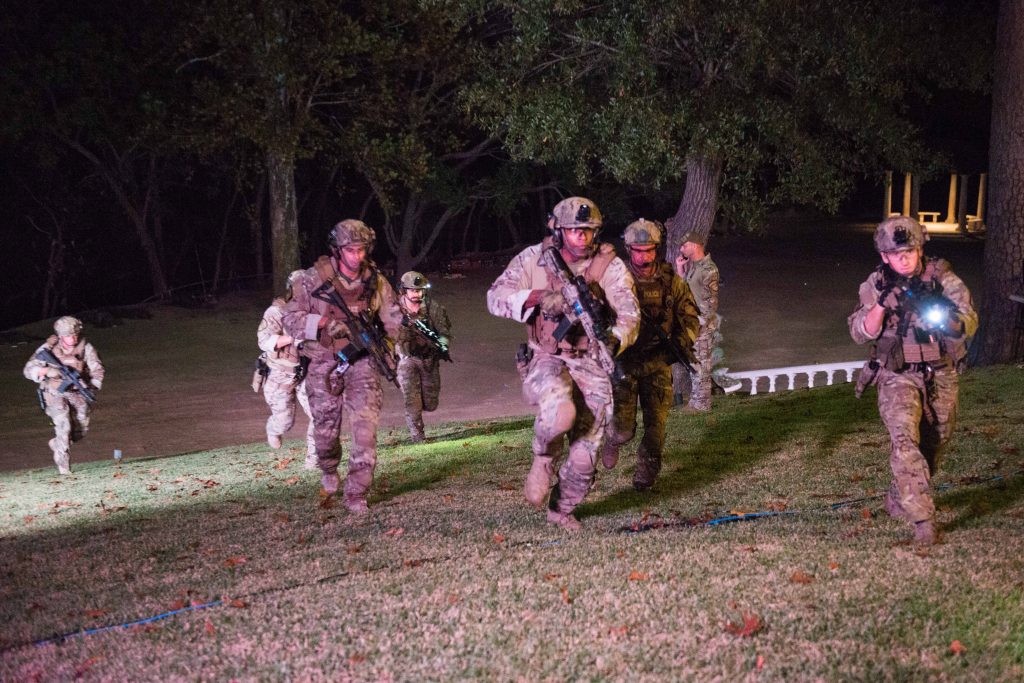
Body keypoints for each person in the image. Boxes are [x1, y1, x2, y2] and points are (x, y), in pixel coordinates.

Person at [487, 196, 639, 530]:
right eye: (574, 231)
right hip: (546, 356)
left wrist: (613, 338)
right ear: (559, 231)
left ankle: (562, 508)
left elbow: (630, 315)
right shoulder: (535, 259)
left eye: (587, 232)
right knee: (561, 412)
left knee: (586, 453)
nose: (581, 238)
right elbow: (495, 296)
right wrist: (539, 298)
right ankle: (543, 459)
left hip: (591, 359)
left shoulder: (609, 266)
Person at [848, 216, 977, 546]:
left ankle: (898, 494)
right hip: (897, 375)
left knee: (935, 443)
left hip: (940, 373)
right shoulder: (876, 283)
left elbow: (968, 322)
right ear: (884, 257)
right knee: (905, 442)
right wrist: (881, 304)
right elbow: (860, 332)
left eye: (910, 251)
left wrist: (940, 313)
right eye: (896, 254)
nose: (904, 259)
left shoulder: (941, 279)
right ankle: (923, 521)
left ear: (920, 249)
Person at [283, 219, 403, 514]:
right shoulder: (312, 280)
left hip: (362, 361)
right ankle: (328, 467)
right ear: (337, 250)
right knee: (325, 434)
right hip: (323, 362)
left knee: (365, 428)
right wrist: (322, 322)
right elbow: (289, 318)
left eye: (362, 250)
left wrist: (389, 348)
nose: (357, 256)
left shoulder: (375, 281)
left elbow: (394, 320)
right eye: (350, 250)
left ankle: (356, 492)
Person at [602, 220, 700, 490]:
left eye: (649, 250)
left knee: (656, 426)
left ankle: (646, 472)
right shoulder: (614, 280)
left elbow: (691, 318)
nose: (643, 257)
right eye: (637, 250)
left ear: (656, 250)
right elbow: (597, 317)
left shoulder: (672, 282)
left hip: (658, 362)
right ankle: (613, 440)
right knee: (623, 429)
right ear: (628, 249)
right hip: (625, 363)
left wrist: (680, 343)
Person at [23, 316, 105, 475]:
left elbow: (98, 371)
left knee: (80, 431)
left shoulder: (85, 348)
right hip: (54, 393)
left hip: (76, 393)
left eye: (75, 334)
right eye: (68, 335)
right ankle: (64, 467)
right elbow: (28, 370)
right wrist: (46, 371)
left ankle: (58, 443)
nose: (73, 338)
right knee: (64, 425)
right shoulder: (47, 349)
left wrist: (90, 387)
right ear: (60, 336)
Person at [257, 270, 316, 469]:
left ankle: (313, 461)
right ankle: (273, 429)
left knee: (321, 415)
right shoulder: (276, 312)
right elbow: (264, 340)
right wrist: (293, 338)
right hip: (280, 374)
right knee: (285, 422)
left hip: (305, 372)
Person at [395, 271, 452, 443]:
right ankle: (418, 436)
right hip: (406, 360)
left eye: (420, 291)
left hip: (428, 359)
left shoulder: (433, 308)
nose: (417, 294)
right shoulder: (394, 310)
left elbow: (444, 333)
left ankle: (420, 420)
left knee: (431, 403)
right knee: (412, 400)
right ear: (404, 291)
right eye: (413, 291)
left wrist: (442, 345)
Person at [673, 230, 721, 412]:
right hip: (692, 324)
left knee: (701, 364)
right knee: (695, 363)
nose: (682, 249)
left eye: (684, 245)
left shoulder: (709, 269)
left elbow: (711, 303)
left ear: (694, 245)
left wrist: (699, 325)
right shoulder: (695, 266)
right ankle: (695, 401)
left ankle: (702, 404)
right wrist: (680, 271)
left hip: (701, 326)